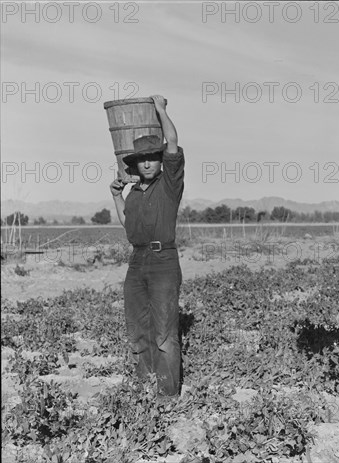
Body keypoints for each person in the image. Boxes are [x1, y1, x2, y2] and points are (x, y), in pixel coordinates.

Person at [109, 95, 184, 401]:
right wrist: (116, 195)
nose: (148, 162)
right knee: (138, 329)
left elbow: (173, 143)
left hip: (163, 260)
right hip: (136, 262)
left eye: (152, 157)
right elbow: (128, 225)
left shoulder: (169, 185)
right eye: (142, 159)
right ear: (136, 163)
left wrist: (162, 111)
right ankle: (146, 389)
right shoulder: (136, 193)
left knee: (165, 334)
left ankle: (167, 396)